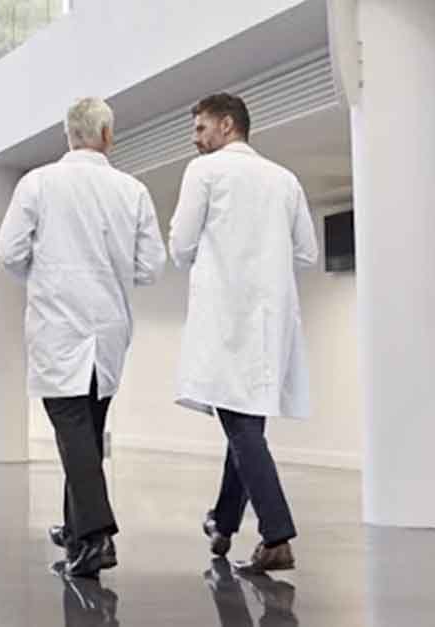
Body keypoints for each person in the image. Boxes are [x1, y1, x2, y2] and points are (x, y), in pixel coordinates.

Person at [0, 97, 166, 578]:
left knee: (74, 433)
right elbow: (151, 266)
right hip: (108, 331)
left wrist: (42, 273)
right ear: (108, 136)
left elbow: (8, 251)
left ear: (67, 135)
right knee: (86, 434)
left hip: (58, 327)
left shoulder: (39, 184)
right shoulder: (132, 190)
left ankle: (95, 537)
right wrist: (113, 272)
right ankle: (76, 532)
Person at [169, 93, 318, 573]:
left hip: (225, 315)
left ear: (227, 125)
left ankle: (277, 536)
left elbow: (181, 244)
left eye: (200, 128)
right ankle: (223, 520)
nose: (195, 139)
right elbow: (307, 254)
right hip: (270, 321)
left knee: (240, 425)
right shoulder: (285, 179)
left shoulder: (206, 173)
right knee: (247, 423)